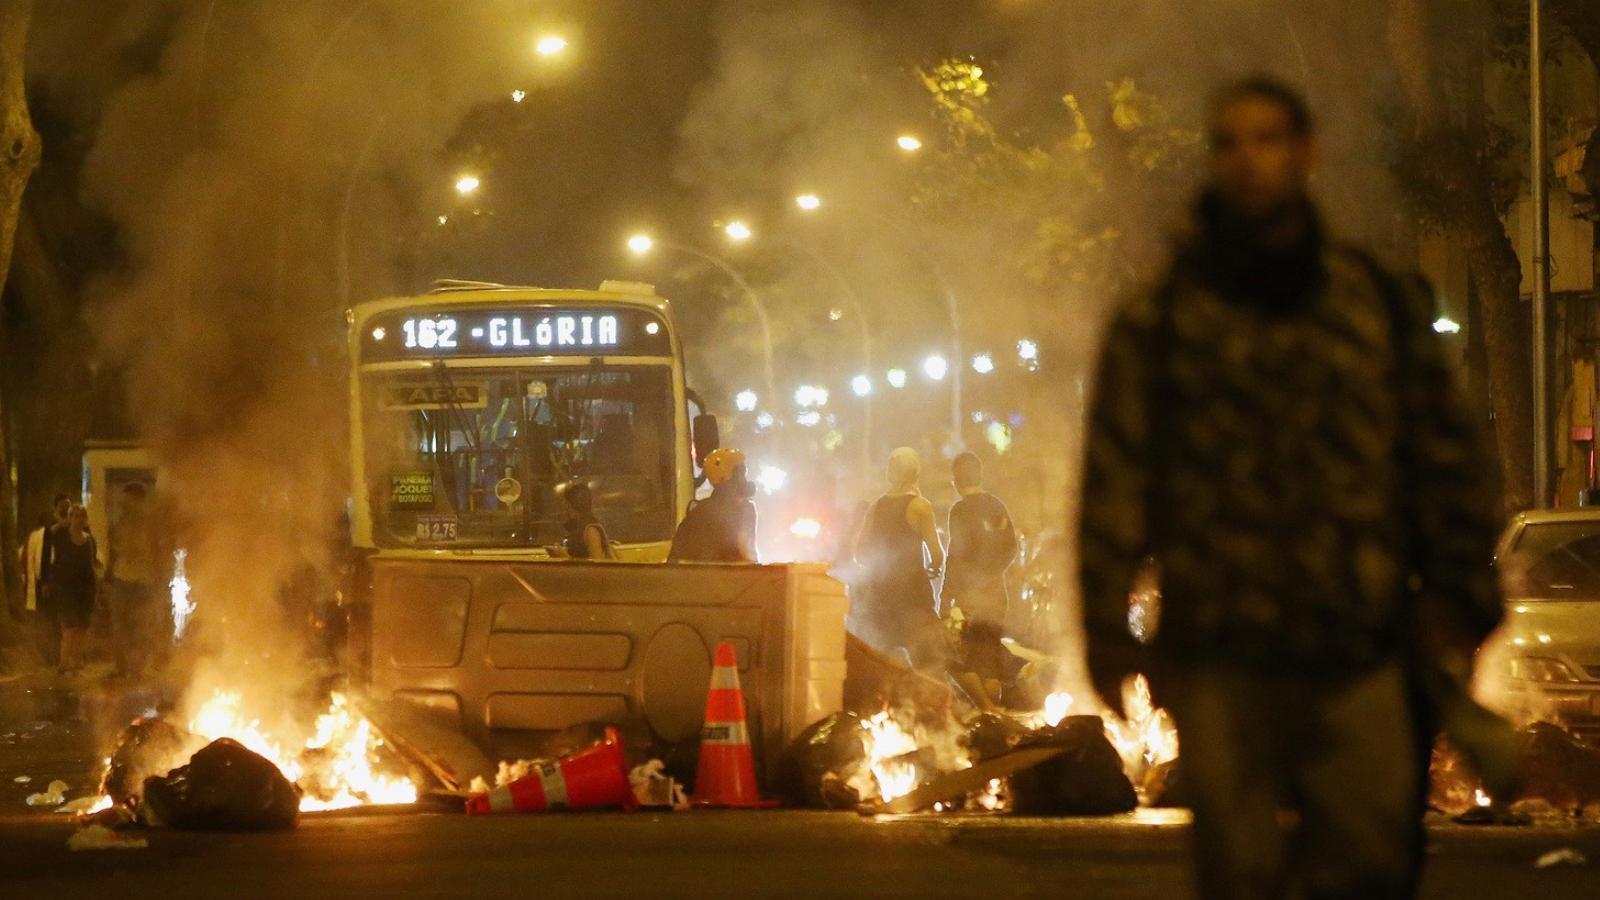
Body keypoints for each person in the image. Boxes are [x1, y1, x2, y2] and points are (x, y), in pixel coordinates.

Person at [1078, 77, 1502, 900]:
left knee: (1374, 865)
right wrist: (1105, 626)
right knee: (1240, 875)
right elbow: (1116, 480)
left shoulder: (1374, 300)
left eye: (1268, 139)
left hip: (1361, 645)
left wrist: (1463, 596)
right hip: (1221, 649)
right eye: (1230, 142)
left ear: (1306, 153)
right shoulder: (1160, 316)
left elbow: (1443, 455)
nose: (1249, 160)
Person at [852, 447, 946, 669]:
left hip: (881, 596)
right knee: (928, 660)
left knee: (879, 661)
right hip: (913, 596)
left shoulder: (876, 506)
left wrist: (879, 569)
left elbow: (859, 552)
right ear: (916, 473)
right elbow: (937, 554)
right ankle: (935, 701)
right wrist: (932, 569)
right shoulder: (921, 506)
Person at [940, 452, 1019, 705]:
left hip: (969, 598)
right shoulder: (996, 505)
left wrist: (945, 597)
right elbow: (1011, 547)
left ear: (956, 480)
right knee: (989, 661)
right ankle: (993, 717)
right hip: (996, 596)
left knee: (956, 658)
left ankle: (988, 712)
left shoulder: (960, 510)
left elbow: (956, 554)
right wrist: (992, 574)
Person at [108, 482, 162, 679]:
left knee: (140, 624)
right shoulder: (119, 521)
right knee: (120, 625)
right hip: (122, 577)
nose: (126, 502)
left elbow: (157, 551)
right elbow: (113, 549)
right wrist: (110, 573)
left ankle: (137, 668)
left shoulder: (150, 524)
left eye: (129, 498)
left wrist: (157, 575)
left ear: (139, 500)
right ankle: (121, 666)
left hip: (143, 579)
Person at [668, 448, 758, 563]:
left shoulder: (696, 512)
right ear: (728, 478)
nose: (744, 480)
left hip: (694, 579)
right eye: (741, 474)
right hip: (728, 579)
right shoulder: (744, 510)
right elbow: (748, 556)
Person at [41, 504, 101, 675]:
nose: (78, 519)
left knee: (82, 626)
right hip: (65, 587)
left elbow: (91, 564)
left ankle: (76, 660)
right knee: (69, 626)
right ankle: (64, 662)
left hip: (85, 588)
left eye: (81, 516)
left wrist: (94, 589)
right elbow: (49, 537)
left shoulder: (88, 540)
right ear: (69, 518)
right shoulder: (60, 536)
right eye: (74, 516)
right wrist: (48, 581)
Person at [16, 510, 55, 665]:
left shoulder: (31, 537)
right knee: (48, 622)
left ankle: (45, 656)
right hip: (44, 585)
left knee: (40, 622)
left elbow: (20, 557)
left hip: (33, 586)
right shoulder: (45, 537)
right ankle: (49, 657)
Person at [551, 482, 615, 560]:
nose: (563, 507)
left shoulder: (590, 530)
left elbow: (597, 564)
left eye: (565, 502)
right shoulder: (577, 527)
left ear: (571, 505)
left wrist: (565, 556)